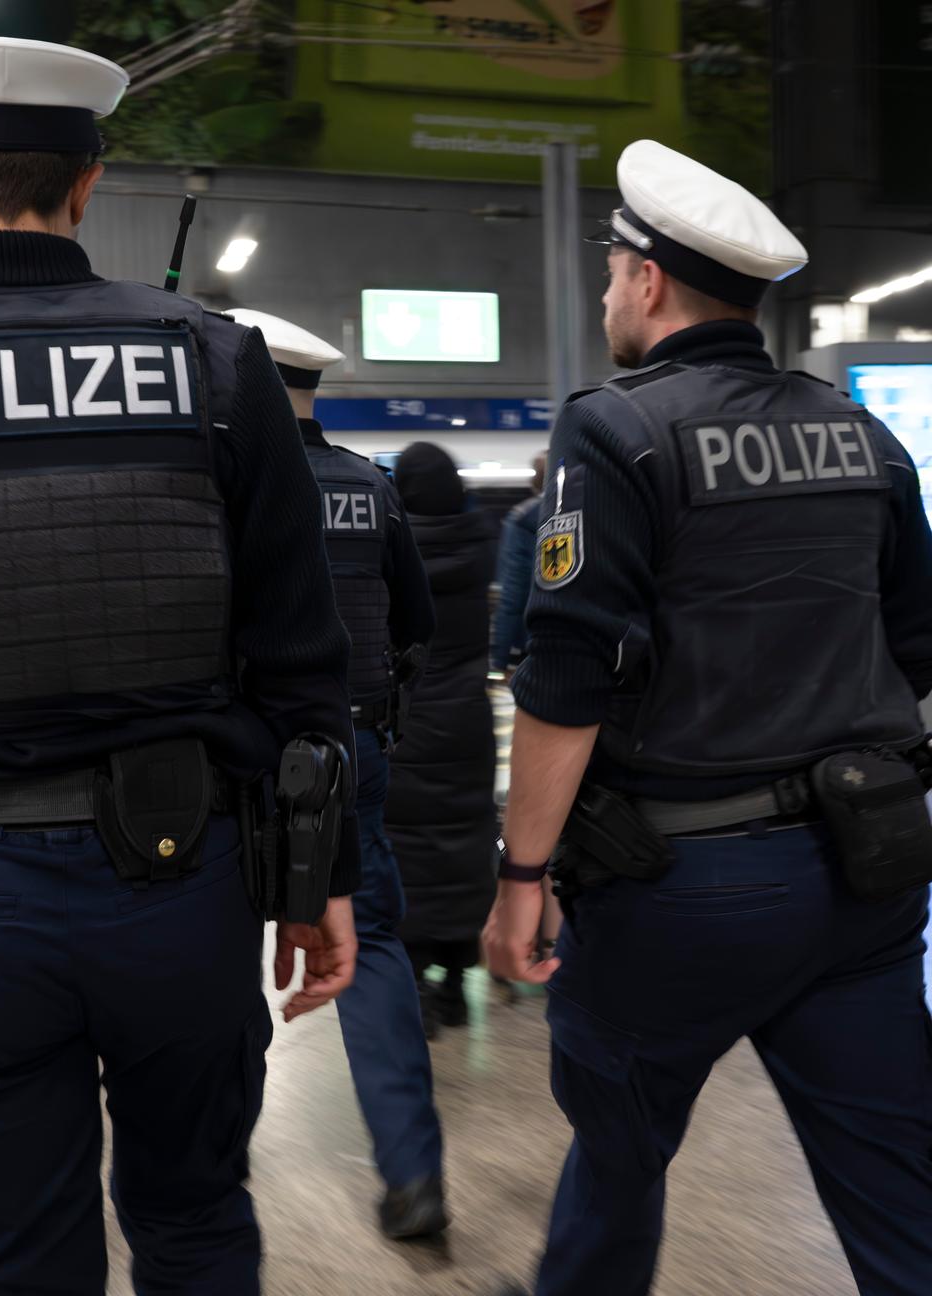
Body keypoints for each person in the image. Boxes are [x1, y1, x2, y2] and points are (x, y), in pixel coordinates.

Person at [0, 36, 360, 1296]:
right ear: (89, 185)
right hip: (189, 890)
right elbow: (302, 656)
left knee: (12, 1253)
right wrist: (320, 878)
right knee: (196, 1220)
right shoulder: (219, 366)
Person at [484, 138, 932, 1296]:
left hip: (684, 893)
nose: (606, 297)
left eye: (609, 275)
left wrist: (522, 875)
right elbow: (917, 644)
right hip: (869, 875)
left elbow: (567, 675)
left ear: (646, 281)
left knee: (619, 1155)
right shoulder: (860, 433)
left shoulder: (616, 429)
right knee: (899, 1192)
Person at [231, 308, 447, 1239]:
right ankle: (414, 1177)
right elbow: (417, 625)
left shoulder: (222, 482)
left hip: (242, 756)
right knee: (376, 945)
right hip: (355, 752)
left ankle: (215, 1151)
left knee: (215, 945)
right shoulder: (371, 486)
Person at [387, 443, 498, 1037]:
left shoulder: (391, 550)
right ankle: (456, 985)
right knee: (464, 845)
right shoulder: (479, 544)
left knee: (409, 852)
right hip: (467, 722)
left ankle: (417, 988)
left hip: (407, 725)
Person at [490, 453, 547, 678]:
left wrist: (499, 659)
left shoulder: (521, 519)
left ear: (534, 482)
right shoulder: (589, 512)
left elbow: (512, 595)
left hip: (533, 642)